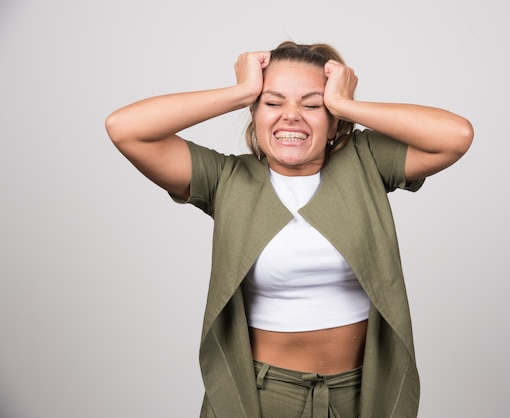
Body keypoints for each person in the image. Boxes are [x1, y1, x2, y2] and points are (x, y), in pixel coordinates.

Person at [105, 41, 473, 418]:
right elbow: (124, 129)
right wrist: (240, 91)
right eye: (273, 102)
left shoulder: (367, 162)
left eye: (313, 105)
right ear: (254, 113)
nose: (292, 115)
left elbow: (456, 136)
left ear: (333, 120)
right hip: (262, 395)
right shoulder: (226, 179)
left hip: (361, 393)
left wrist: (347, 104)